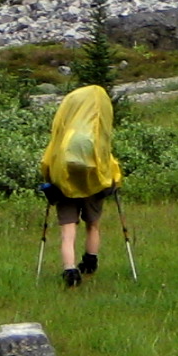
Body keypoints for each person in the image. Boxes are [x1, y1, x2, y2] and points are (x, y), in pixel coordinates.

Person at [41, 81, 123, 288]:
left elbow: (50, 159)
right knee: (92, 225)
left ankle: (70, 270)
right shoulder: (95, 134)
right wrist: (114, 180)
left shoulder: (66, 135)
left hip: (65, 187)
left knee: (68, 232)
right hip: (94, 186)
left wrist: (48, 180)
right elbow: (107, 161)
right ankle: (90, 260)